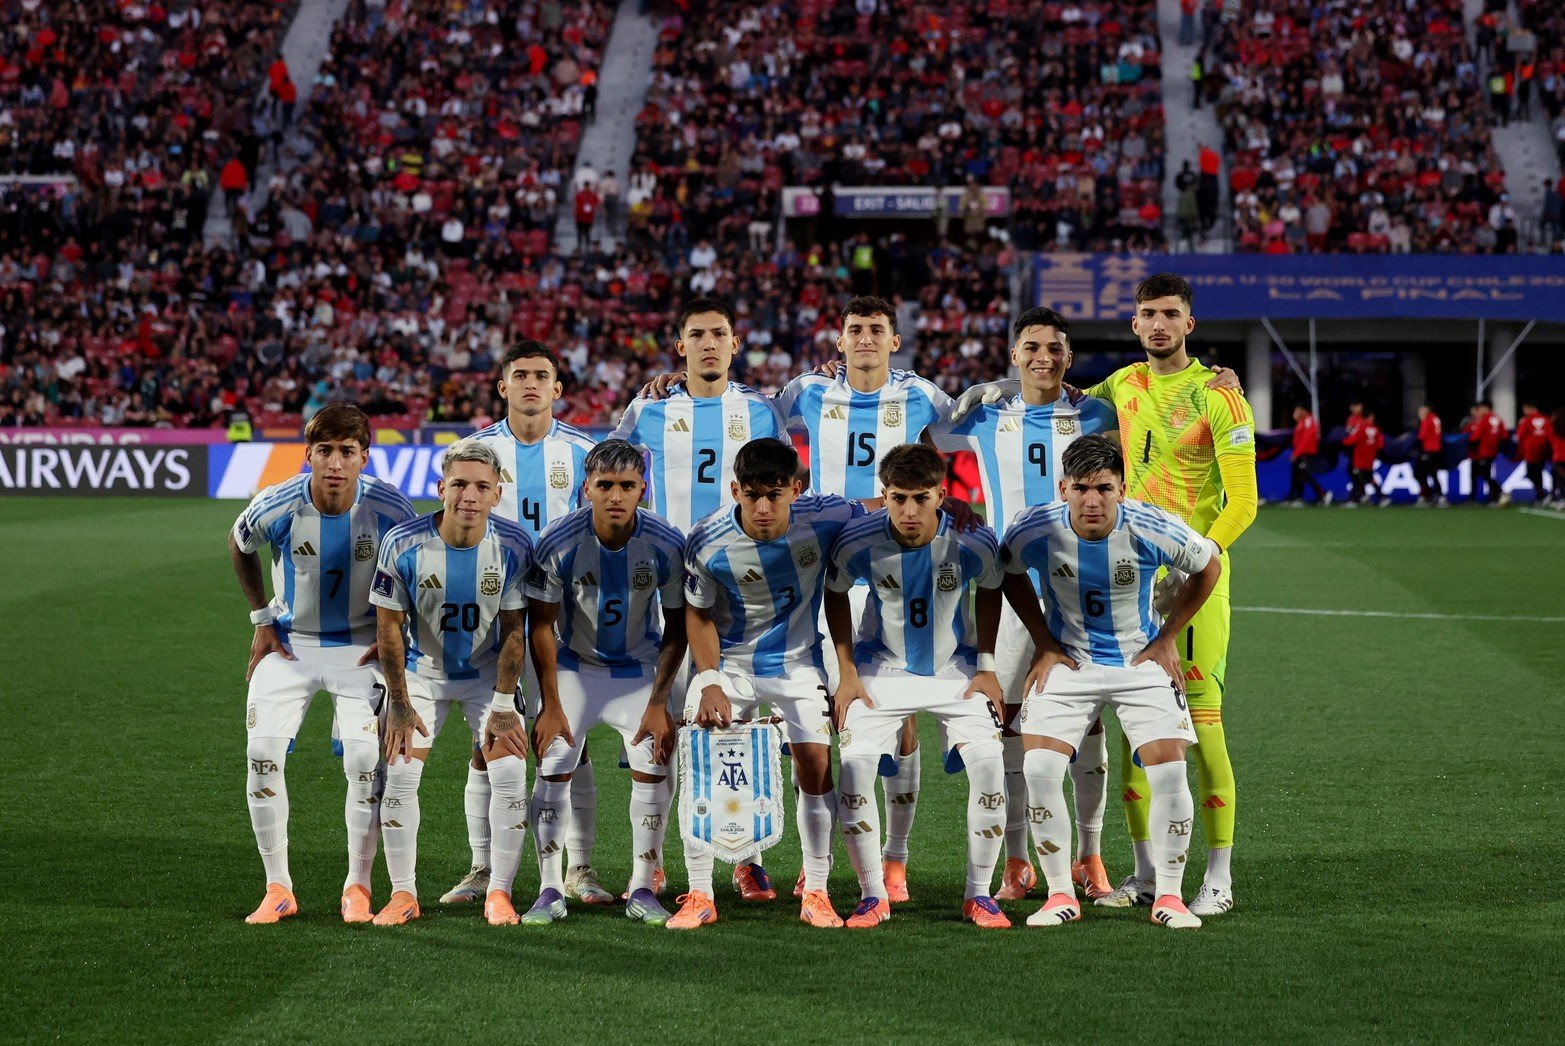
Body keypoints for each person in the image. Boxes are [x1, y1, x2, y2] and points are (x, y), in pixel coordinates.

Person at [1077, 274, 1256, 916]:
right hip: (1130, 580)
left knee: (1202, 726)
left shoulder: (1221, 397)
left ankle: (1219, 876)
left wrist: (1199, 560)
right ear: (1134, 324)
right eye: (1147, 313)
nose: (1158, 324)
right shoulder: (1122, 384)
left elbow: (1245, 501)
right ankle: (1148, 872)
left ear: (1189, 324)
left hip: (1195, 582)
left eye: (1170, 314)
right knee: (1135, 726)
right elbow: (1058, 396)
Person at [930, 307, 1119, 903]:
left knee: (1088, 729)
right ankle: (1017, 860)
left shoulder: (1096, 414)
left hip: (1082, 586)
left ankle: (1089, 854)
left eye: (1055, 348)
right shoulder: (984, 416)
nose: (1043, 357)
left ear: (1069, 356)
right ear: (1014, 356)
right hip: (1011, 589)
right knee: (1007, 726)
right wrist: (952, 506)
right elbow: (916, 438)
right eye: (1030, 348)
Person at [1001, 436, 1222, 930]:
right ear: (1063, 488)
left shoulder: (1150, 525)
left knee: (1168, 773)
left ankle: (1169, 895)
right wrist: (1042, 640)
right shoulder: (1033, 528)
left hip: (1138, 661)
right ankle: (1060, 893)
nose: (1092, 500)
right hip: (1070, 662)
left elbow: (1209, 565)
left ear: (1122, 489)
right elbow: (1006, 571)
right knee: (1037, 768)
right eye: (1081, 488)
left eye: (1104, 488)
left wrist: (1168, 638)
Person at [230, 406, 415, 924]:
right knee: (262, 750)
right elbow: (239, 543)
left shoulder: (389, 506)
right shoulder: (281, 502)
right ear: (308, 454)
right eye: (325, 451)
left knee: (362, 762)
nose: (336, 463)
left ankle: (357, 885)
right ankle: (278, 888)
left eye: (347, 452)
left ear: (364, 458)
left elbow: (413, 564)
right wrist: (262, 617)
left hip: (360, 647)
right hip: (290, 646)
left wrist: (393, 635)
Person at [669, 439, 863, 930]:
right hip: (728, 665)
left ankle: (817, 890)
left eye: (774, 495)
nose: (761, 506)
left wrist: (960, 511)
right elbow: (697, 612)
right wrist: (709, 679)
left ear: (796, 489)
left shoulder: (826, 517)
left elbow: (884, 507)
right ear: (734, 489)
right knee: (700, 765)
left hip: (797, 664)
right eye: (750, 494)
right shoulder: (707, 541)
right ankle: (699, 893)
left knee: (816, 769)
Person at [826, 445, 1011, 929]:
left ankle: (979, 894)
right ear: (883, 495)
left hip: (955, 668)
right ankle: (872, 895)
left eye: (921, 499)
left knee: (991, 764)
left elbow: (992, 587)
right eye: (899, 498)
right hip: (881, 666)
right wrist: (846, 673)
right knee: (854, 765)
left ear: (942, 496)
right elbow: (835, 592)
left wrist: (987, 665)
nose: (909, 511)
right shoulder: (857, 541)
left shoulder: (973, 541)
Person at [523, 441, 689, 926]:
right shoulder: (559, 541)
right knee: (554, 760)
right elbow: (540, 626)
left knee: (652, 762)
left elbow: (677, 627)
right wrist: (550, 704)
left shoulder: (665, 542)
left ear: (643, 489)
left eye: (627, 486)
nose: (615, 496)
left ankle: (642, 885)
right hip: (576, 667)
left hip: (638, 668)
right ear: (586, 489)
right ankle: (549, 887)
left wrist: (660, 701)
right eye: (605, 486)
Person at [369, 440, 534, 926]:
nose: (469, 495)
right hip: (421, 673)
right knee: (399, 774)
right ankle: (403, 894)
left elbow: (514, 632)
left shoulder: (514, 546)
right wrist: (398, 703)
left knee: (508, 773)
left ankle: (498, 893)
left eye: (482, 486)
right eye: (459, 484)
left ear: (497, 494)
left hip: (487, 677)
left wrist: (504, 702)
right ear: (441, 488)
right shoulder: (402, 543)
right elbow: (388, 630)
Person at [464, 342, 605, 908]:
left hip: (563, 613)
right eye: (518, 374)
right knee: (489, 738)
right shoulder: (473, 452)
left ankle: (583, 868)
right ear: (502, 386)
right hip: (491, 612)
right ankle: (481, 869)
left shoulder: (582, 452)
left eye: (540, 375)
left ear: (557, 388)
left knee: (572, 736)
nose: (529, 383)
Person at [610, 298, 788, 533]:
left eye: (719, 334)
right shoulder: (650, 406)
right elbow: (605, 467)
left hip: (736, 559)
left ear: (734, 344)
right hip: (670, 558)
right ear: (681, 347)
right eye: (696, 335)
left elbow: (792, 478)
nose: (709, 344)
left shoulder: (761, 410)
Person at [1285, 405, 1329, 506]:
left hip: (1306, 453)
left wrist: (1296, 454)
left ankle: (1321, 493)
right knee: (1297, 474)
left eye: (1297, 410)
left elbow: (1306, 440)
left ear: (1303, 411)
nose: (1296, 413)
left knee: (1303, 473)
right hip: (1300, 452)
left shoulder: (1308, 420)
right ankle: (1295, 497)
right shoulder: (1302, 422)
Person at [1464, 401, 1506, 505]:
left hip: (1483, 452)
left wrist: (1467, 440)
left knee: (1484, 474)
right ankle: (1493, 496)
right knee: (1482, 473)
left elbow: (1475, 437)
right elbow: (1504, 436)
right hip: (1491, 452)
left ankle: (1500, 492)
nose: (1479, 411)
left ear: (1485, 408)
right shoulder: (1498, 419)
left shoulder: (1485, 419)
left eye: (1480, 408)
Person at [1342, 409, 1385, 506]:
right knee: (1368, 477)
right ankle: (1381, 496)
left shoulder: (1360, 427)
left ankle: (1358, 497)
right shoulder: (1376, 429)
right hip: (1369, 459)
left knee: (1357, 476)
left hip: (1359, 458)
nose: (1373, 419)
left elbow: (1352, 440)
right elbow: (1380, 445)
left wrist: (1342, 441)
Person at [1515, 402, 1552, 503]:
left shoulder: (1527, 420)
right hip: (1543, 451)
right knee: (1538, 473)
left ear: (1529, 408)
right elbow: (1550, 435)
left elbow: (1519, 435)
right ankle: (1542, 495)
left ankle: (1542, 495)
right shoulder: (1545, 419)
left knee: (1531, 474)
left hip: (1531, 452)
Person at [1415, 405, 1445, 506]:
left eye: (1421, 411)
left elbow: (1421, 436)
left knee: (1420, 473)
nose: (1420, 413)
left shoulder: (1427, 420)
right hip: (1436, 450)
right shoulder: (1435, 418)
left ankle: (1426, 496)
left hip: (1429, 450)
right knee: (1433, 473)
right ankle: (1439, 496)